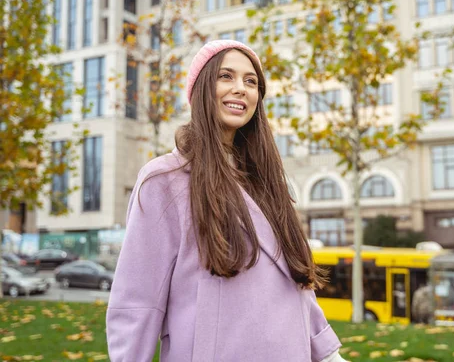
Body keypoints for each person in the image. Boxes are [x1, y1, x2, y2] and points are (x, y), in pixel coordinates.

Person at [106, 40, 347, 362]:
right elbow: (138, 297)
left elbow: (294, 283)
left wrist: (328, 355)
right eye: (226, 77)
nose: (240, 89)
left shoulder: (266, 181)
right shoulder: (164, 179)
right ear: (201, 89)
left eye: (251, 82)